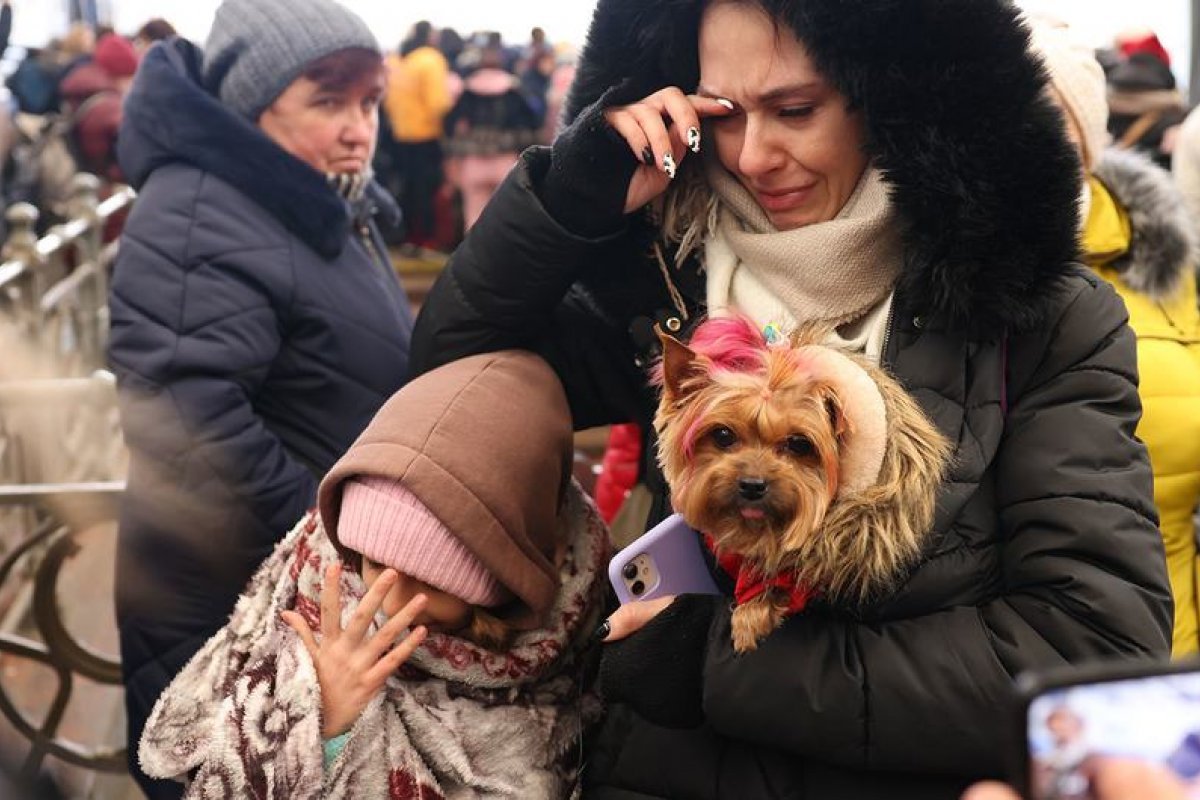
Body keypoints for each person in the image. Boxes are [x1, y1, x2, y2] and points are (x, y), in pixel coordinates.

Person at [409, 0, 1173, 796]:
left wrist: (720, 668)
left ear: (892, 96)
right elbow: (454, 375)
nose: (752, 155)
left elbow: (1094, 648)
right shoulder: (668, 278)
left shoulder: (1036, 315)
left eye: (796, 110)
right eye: (724, 114)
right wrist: (570, 201)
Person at [106, 0, 414, 796]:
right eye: (328, 100)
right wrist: (333, 545)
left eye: (370, 101)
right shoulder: (199, 211)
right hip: (229, 602)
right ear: (253, 106)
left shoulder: (323, 200)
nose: (359, 127)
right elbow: (192, 427)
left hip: (301, 601)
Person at [136, 350, 607, 798]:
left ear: (504, 583)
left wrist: (342, 735)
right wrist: (319, 723)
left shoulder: (568, 667)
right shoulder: (312, 601)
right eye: (376, 563)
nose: (390, 601)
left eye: (431, 581)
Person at [1032, 19, 1200, 658]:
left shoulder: (1160, 260)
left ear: (1083, 132)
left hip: (1179, 665)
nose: (1016, 139)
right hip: (1037, 686)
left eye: (1042, 114)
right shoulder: (930, 273)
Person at [443, 45, 542, 231]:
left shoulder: (468, 88)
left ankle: (473, 258)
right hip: (505, 160)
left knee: (473, 216)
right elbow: (533, 120)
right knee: (507, 215)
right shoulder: (513, 89)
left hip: (473, 161)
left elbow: (449, 123)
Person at [382, 21, 453, 248]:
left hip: (399, 134)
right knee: (427, 188)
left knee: (406, 186)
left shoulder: (396, 60)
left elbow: (387, 99)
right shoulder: (430, 59)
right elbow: (437, 103)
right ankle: (426, 238)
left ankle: (404, 235)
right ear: (430, 36)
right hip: (426, 134)